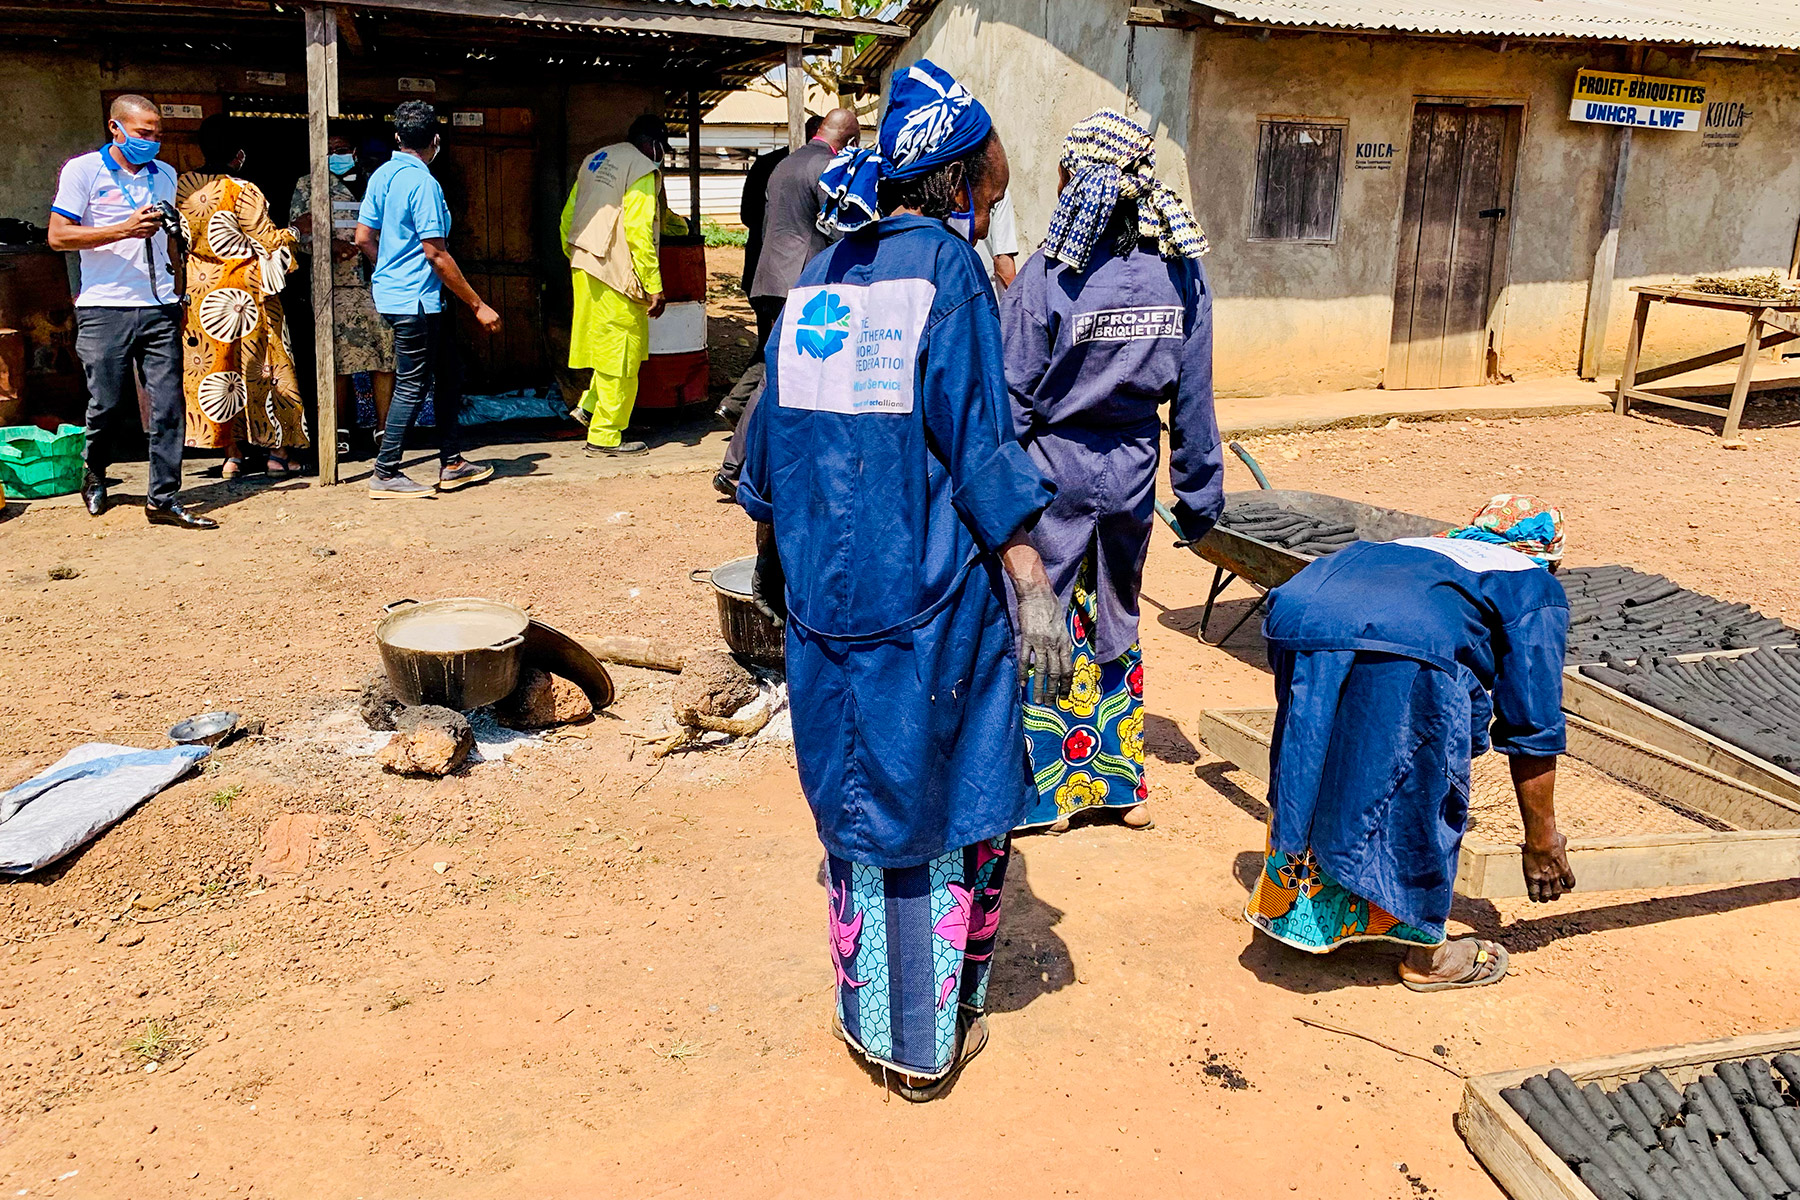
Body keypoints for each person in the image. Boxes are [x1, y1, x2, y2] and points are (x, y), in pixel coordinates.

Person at [737, 60, 1070, 1101]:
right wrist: (1033, 587)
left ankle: (867, 1015)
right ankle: (921, 1044)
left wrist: (776, 571)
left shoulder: (830, 272)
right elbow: (979, 445)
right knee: (931, 804)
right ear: (966, 174)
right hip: (927, 601)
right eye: (997, 171)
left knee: (856, 802)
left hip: (828, 607)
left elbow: (763, 456)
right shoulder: (951, 274)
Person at [1244, 496, 1577, 991]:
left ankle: (1289, 910)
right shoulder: (1533, 584)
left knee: (1312, 767)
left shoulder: (1421, 548)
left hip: (1299, 614)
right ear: (1548, 554)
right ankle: (1428, 957)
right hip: (1405, 640)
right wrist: (1541, 839)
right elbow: (1533, 723)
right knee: (1420, 783)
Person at [1000, 109, 1222, 834]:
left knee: (1042, 610)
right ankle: (1119, 786)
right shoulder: (1181, 275)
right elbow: (1195, 397)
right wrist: (1199, 495)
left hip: (1052, 467)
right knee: (1117, 608)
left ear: (1075, 181)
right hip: (1132, 467)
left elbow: (1012, 396)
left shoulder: (1047, 275)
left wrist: (997, 498)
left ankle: (1048, 796)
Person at [48, 94, 216, 528]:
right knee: (106, 402)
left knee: (168, 405)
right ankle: (95, 474)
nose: (152, 142)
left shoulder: (165, 174)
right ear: (115, 128)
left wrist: (179, 287)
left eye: (157, 135)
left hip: (158, 304)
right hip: (105, 305)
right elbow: (58, 236)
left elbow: (168, 239)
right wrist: (122, 229)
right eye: (144, 133)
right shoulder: (83, 170)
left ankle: (163, 497)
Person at [353, 99, 499, 499]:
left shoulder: (382, 176)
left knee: (450, 372)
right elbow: (436, 254)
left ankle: (452, 462)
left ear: (398, 138)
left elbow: (363, 238)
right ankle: (385, 472)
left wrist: (388, 266)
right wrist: (477, 304)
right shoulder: (424, 183)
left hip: (395, 295)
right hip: (416, 300)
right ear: (435, 140)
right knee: (413, 383)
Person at [715, 108, 862, 495]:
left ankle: (754, 457)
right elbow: (835, 231)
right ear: (849, 140)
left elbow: (766, 224)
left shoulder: (784, 165)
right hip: (801, 285)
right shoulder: (829, 167)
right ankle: (735, 468)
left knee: (774, 369)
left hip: (767, 279)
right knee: (778, 378)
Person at [176, 115, 309, 479]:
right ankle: (277, 453)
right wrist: (298, 229)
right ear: (239, 155)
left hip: (202, 292)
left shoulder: (182, 187)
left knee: (221, 372)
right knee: (266, 369)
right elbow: (269, 241)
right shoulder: (243, 190)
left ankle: (232, 455)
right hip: (247, 293)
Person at [559, 115, 675, 458]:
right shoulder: (640, 168)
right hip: (614, 269)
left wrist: (576, 255)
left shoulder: (596, 159)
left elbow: (568, 215)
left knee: (604, 347)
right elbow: (639, 231)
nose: (661, 157)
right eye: (661, 150)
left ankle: (591, 406)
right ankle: (606, 434)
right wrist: (654, 285)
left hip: (584, 261)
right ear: (653, 144)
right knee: (622, 354)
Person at [293, 126, 396, 454]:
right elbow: (295, 234)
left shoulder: (376, 181)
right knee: (337, 359)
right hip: (335, 286)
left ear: (355, 151)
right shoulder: (308, 185)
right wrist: (328, 245)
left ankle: (385, 430)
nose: (337, 156)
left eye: (343, 149)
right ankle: (336, 430)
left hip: (378, 282)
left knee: (385, 355)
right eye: (330, 150)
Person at [739, 113, 823, 354]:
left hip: (763, 264)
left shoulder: (766, 164)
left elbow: (747, 215)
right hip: (798, 268)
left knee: (769, 339)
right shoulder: (821, 167)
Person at [975, 190, 1019, 295]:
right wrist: (1018, 303)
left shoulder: (942, 188)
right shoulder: (997, 191)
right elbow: (1003, 261)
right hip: (987, 296)